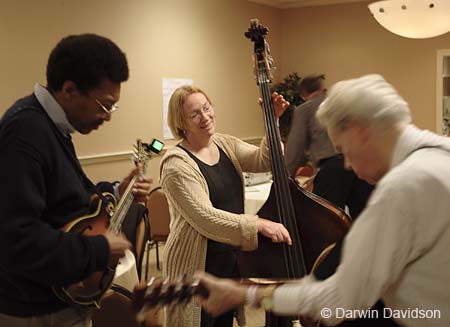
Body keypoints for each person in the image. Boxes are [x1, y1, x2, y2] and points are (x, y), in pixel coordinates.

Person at [195, 74, 450, 327]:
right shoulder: (441, 154)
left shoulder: (401, 189)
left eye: (343, 150)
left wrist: (245, 295)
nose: (348, 165)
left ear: (359, 130)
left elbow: (337, 301)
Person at [0, 34, 152, 327]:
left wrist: (119, 191)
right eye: (105, 105)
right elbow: (15, 239)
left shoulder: (51, 127)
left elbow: (62, 202)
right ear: (69, 89)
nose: (108, 117)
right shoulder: (25, 133)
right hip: (36, 310)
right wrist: (99, 249)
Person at [159, 85, 292, 327]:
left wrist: (271, 122)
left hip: (228, 261)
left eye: (207, 108)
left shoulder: (223, 143)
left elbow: (266, 161)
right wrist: (258, 223)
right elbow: (205, 217)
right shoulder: (175, 165)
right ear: (182, 123)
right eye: (195, 114)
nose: (205, 117)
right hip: (195, 265)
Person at [285, 74, 373, 220]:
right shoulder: (342, 104)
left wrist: (286, 179)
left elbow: (295, 147)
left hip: (333, 168)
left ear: (303, 95)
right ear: (322, 89)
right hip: (358, 164)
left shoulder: (304, 109)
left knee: (325, 223)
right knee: (362, 218)